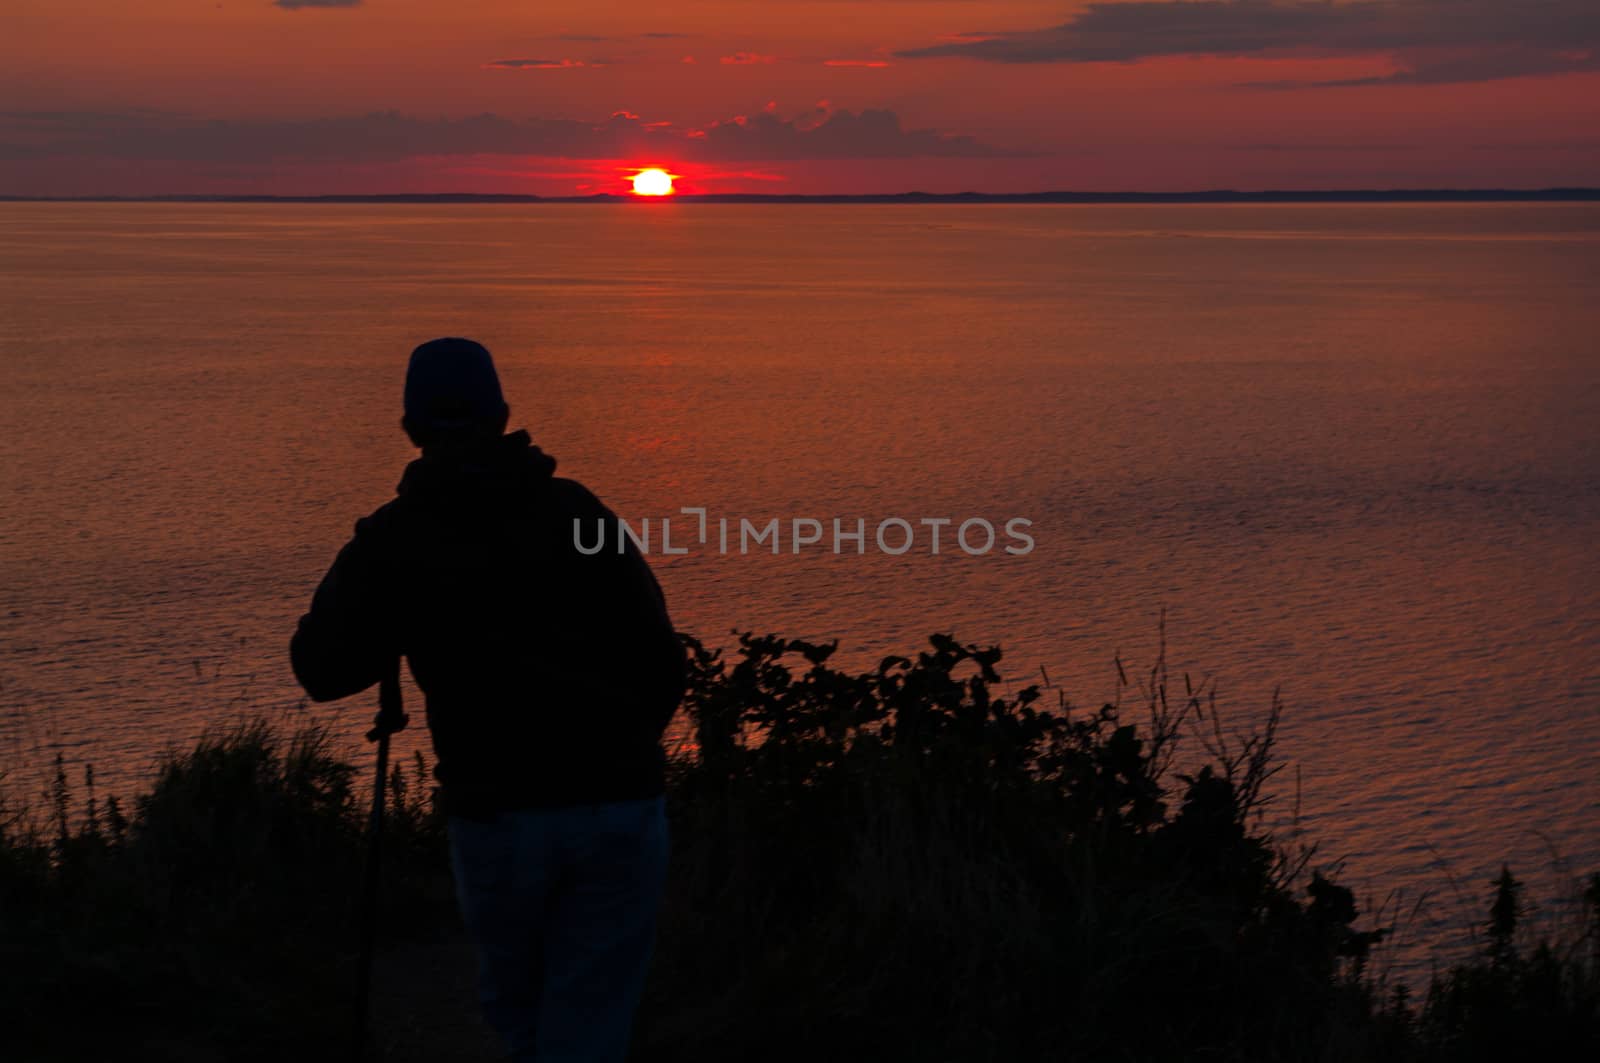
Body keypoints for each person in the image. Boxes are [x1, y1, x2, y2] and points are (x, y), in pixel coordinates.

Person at [290, 337, 685, 1063]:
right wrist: (626, 749)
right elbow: (662, 658)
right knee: (590, 1019)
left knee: (521, 1015)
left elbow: (320, 666)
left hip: (498, 812)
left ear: (409, 426)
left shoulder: (394, 538)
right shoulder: (578, 512)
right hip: (617, 801)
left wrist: (393, 611)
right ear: (503, 414)